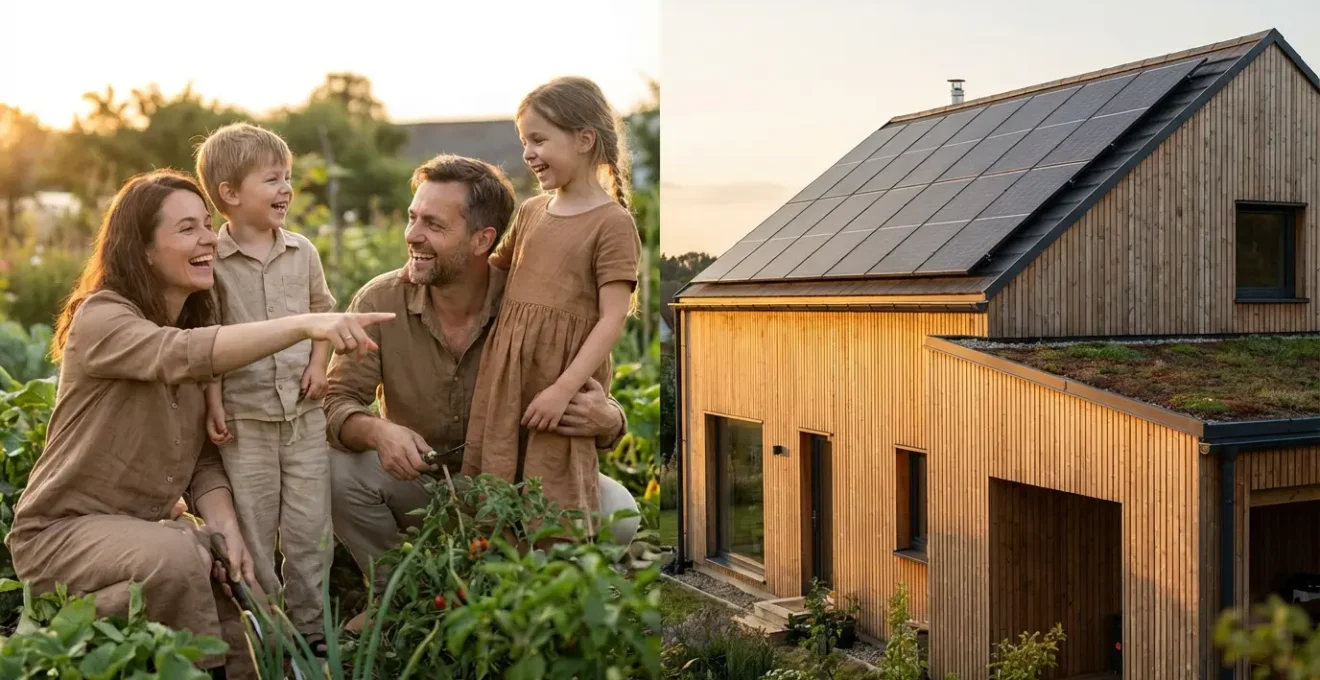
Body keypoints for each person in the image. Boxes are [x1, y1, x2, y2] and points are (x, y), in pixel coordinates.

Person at [5, 170, 395, 679]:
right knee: (179, 554)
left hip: (144, 533)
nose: (210, 238)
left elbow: (203, 460)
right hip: (63, 533)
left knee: (241, 590)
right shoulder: (102, 319)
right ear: (142, 249)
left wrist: (226, 531)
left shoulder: (191, 328)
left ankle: (83, 629)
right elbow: (178, 355)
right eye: (187, 229)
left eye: (207, 224)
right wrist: (304, 323)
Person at [323, 153, 636, 632]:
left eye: (433, 224)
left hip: (509, 490)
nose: (412, 236)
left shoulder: (530, 310)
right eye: (412, 218)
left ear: (482, 240)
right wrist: (378, 431)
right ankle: (402, 594)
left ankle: (531, 600)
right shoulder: (381, 301)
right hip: (420, 489)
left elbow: (586, 388)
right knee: (334, 470)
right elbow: (335, 400)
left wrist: (610, 418)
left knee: (620, 512)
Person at [460, 76, 642, 517]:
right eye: (524, 141)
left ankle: (553, 575)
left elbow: (612, 319)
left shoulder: (612, 223)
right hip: (509, 372)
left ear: (584, 140)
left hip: (561, 377)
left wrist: (563, 389)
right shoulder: (531, 211)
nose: (528, 153)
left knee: (552, 491)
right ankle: (496, 571)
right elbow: (491, 271)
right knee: (499, 477)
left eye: (539, 139)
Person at [195, 122, 336, 648]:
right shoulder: (213, 262)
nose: (286, 190)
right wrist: (213, 401)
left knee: (308, 531)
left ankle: (310, 628)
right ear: (230, 194)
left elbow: (323, 313)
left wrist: (320, 364)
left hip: (303, 417)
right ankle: (266, 630)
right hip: (246, 417)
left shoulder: (302, 252)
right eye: (272, 180)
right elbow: (206, 339)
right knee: (253, 529)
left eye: (288, 178)